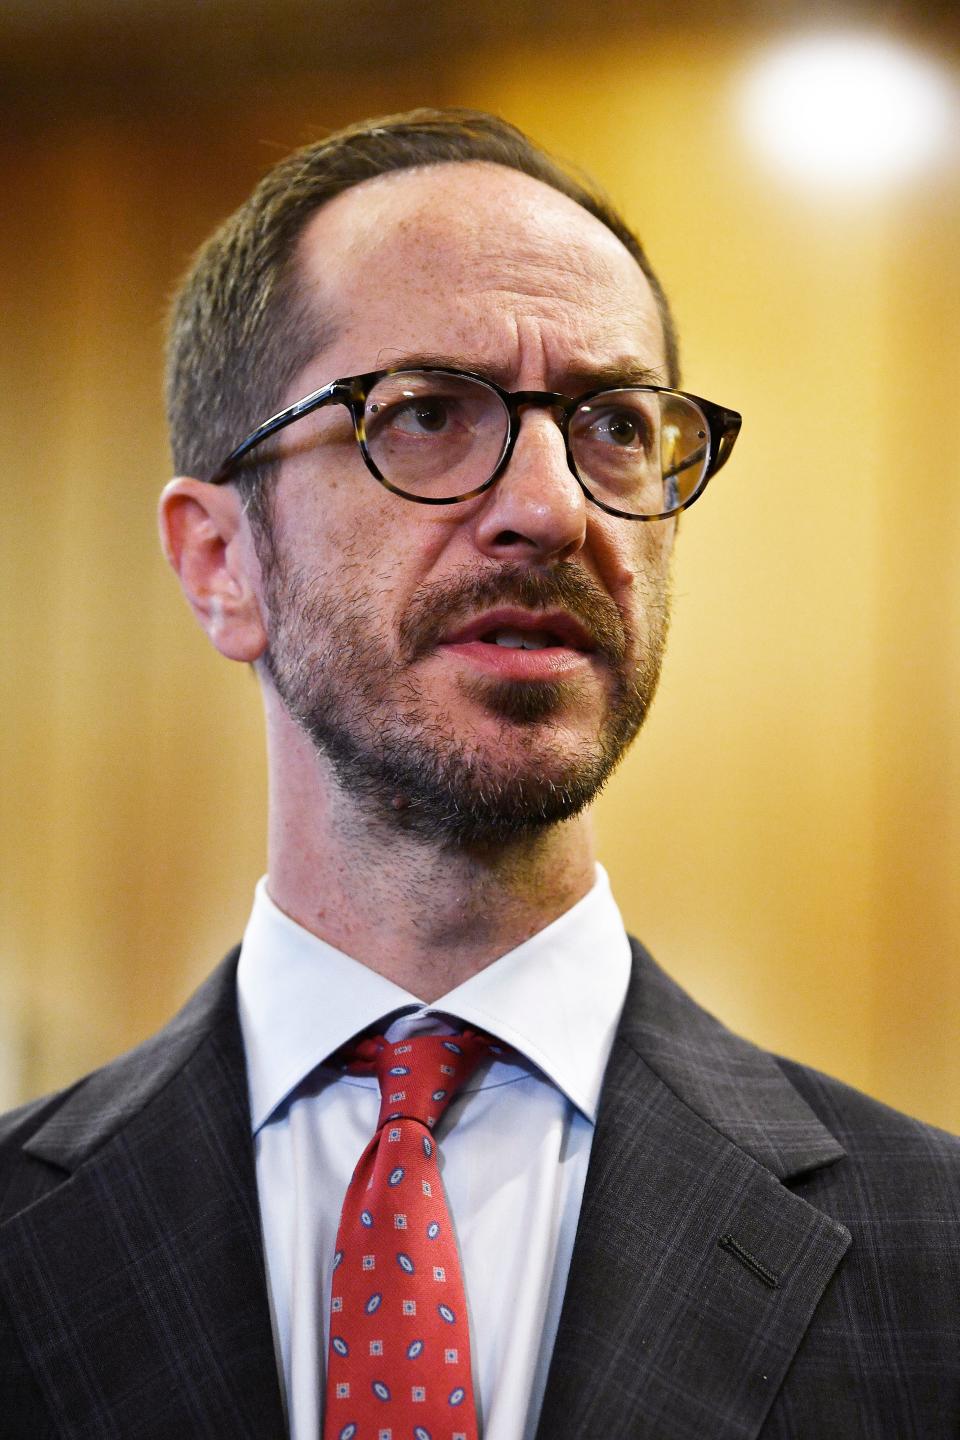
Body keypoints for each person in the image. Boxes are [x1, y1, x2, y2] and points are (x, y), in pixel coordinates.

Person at [0, 108, 957, 1440]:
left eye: (618, 423)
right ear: (221, 562)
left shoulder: (937, 1257)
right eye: (430, 413)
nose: (555, 504)